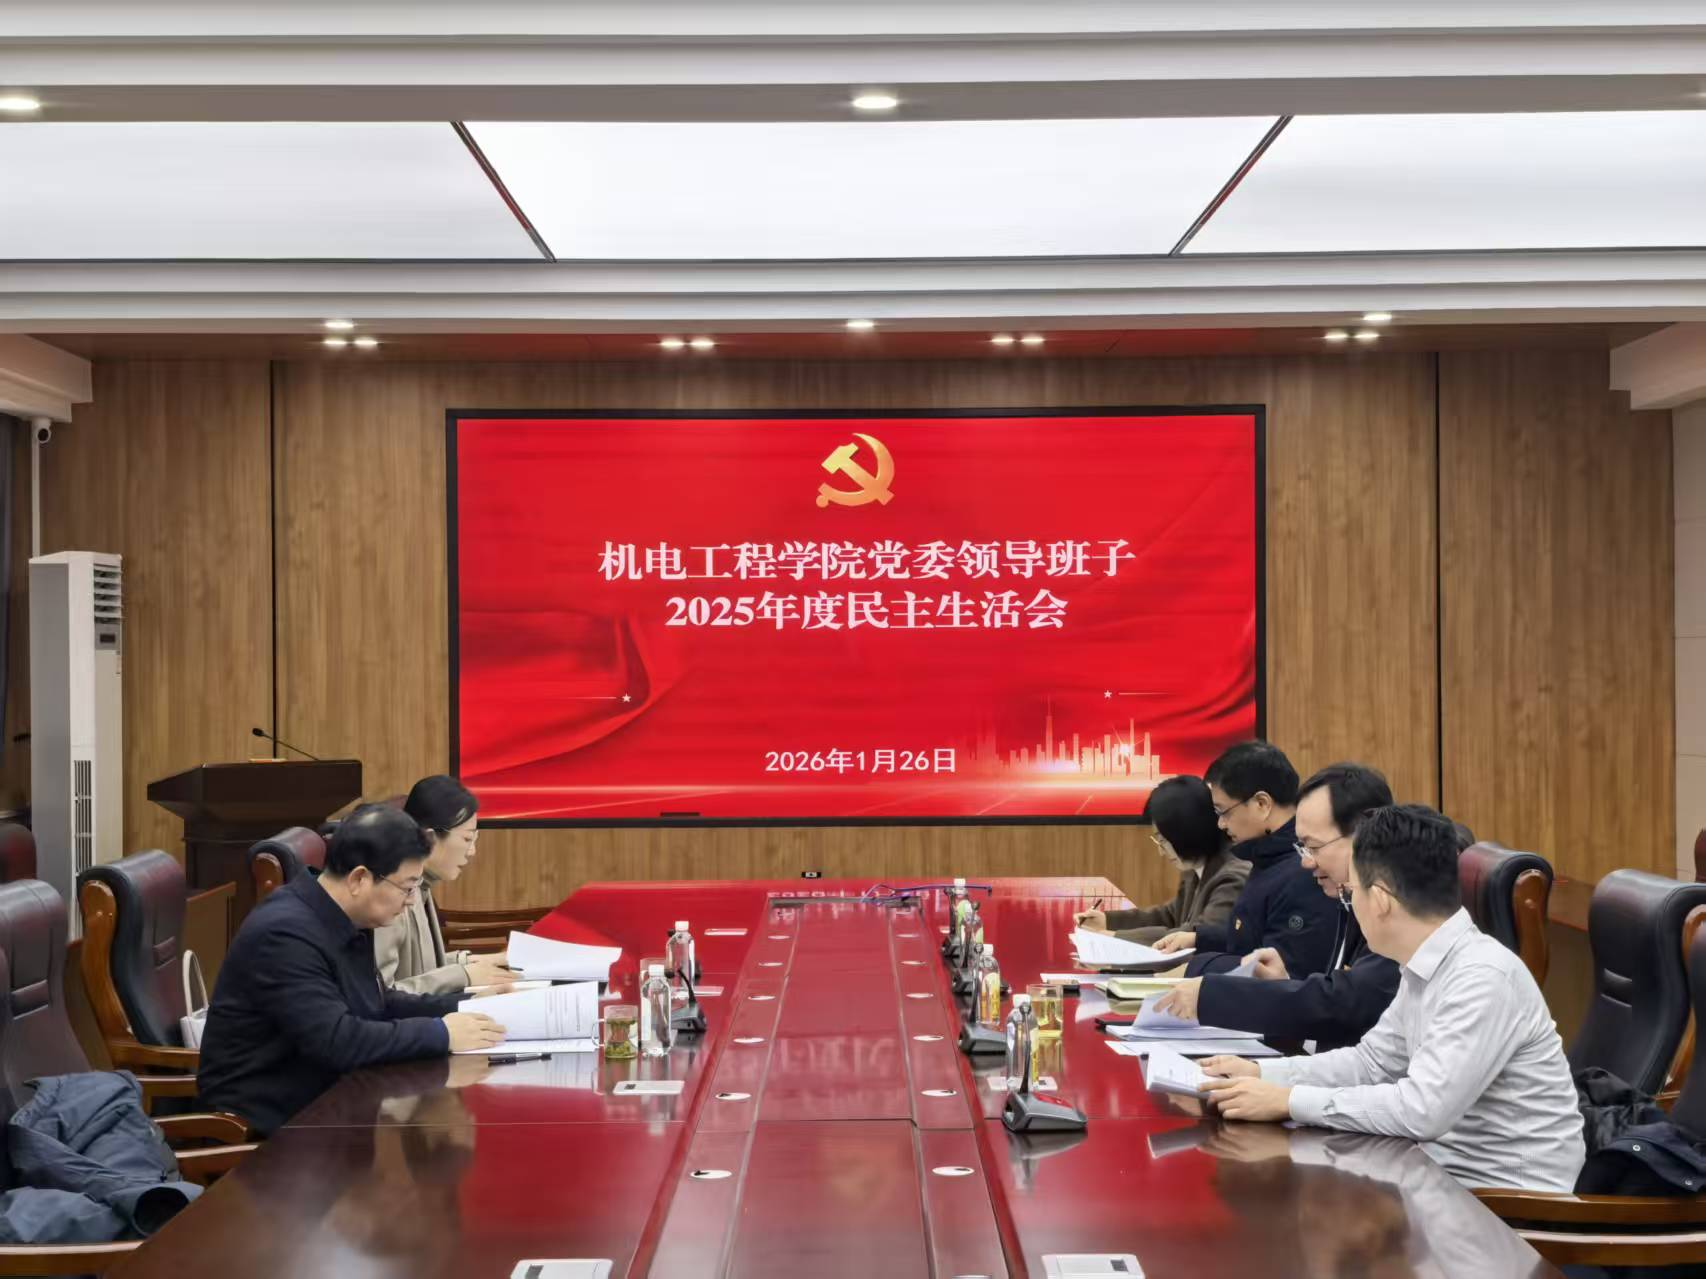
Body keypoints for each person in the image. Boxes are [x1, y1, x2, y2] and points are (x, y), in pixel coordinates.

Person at [1200, 804, 1585, 1194]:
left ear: (1381, 900)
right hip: (1435, 1177)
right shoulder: (1423, 964)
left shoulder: (1482, 977)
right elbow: (1373, 1063)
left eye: (1352, 892)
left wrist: (1289, 1100)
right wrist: (1263, 1075)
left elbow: (1422, 1110)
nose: (1350, 905)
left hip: (1503, 1205)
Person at [197, 804, 507, 1135]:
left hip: (328, 1106)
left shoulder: (344, 916)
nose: (411, 901)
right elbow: (338, 1041)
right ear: (359, 878)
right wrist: (440, 1033)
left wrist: (469, 1006)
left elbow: (378, 1002)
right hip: (269, 1128)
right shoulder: (285, 934)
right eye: (407, 888)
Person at [1151, 763, 1400, 1051]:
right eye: (1303, 848)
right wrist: (1283, 983)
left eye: (1314, 847)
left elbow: (1344, 1003)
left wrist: (1214, 996)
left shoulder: (1393, 913)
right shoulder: (1347, 899)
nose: (1306, 862)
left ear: (1364, 839)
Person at [1153, 741, 1340, 977]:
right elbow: (1252, 937)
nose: (1221, 824)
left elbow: (1278, 969)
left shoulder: (1303, 870)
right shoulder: (1268, 858)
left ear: (1262, 804)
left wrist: (1194, 968)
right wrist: (1198, 939)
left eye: (1223, 812)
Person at [373, 775, 516, 995]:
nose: (472, 851)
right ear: (430, 838)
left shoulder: (420, 883)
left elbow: (420, 966)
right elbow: (381, 995)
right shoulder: (391, 894)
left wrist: (469, 962)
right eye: (467, 839)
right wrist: (462, 975)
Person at [1073, 776, 1249, 944]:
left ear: (1186, 833)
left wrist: (1113, 937)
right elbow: (1170, 916)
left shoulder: (1232, 878)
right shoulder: (1197, 867)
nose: (1161, 851)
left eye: (1163, 840)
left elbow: (1195, 937)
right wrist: (1107, 921)